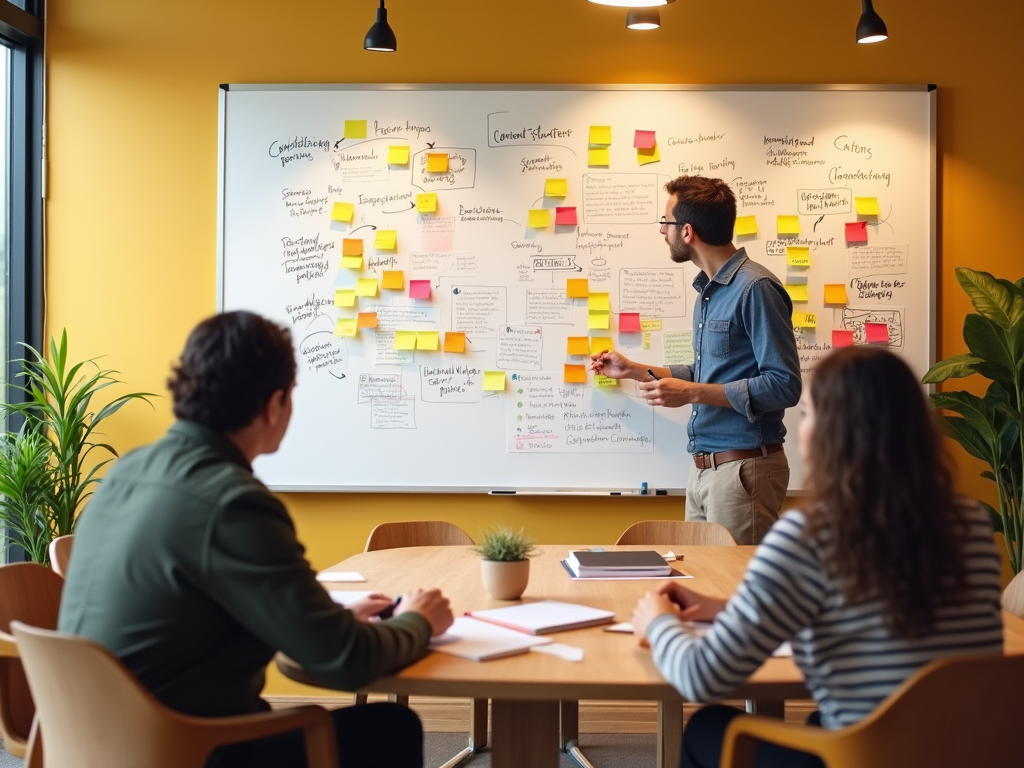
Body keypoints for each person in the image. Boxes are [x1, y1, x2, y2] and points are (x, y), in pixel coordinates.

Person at [58, 310, 454, 768]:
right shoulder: (232, 504)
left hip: (89, 744)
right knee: (392, 728)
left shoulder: (127, 471)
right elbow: (348, 661)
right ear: (274, 405)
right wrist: (417, 620)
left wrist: (328, 615)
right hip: (183, 750)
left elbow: (194, 604)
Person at [631, 346, 1004, 768]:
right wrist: (729, 609)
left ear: (833, 434)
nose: (799, 429)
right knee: (814, 718)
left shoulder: (809, 537)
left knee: (706, 726)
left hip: (861, 755)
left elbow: (701, 678)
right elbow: (869, 616)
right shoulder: (969, 525)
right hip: (966, 749)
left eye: (806, 414)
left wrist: (657, 621)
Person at [591, 175, 800, 545]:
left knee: (732, 593)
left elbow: (784, 385)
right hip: (705, 469)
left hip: (743, 470)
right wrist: (634, 370)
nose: (661, 230)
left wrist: (692, 393)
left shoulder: (755, 289)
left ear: (687, 231)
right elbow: (707, 374)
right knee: (703, 584)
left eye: (665, 222)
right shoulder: (709, 291)